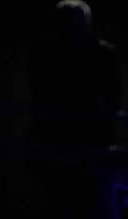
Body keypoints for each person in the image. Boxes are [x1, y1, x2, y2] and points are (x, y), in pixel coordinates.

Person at [28, 0, 122, 151]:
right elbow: (39, 90)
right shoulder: (48, 54)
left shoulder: (102, 54)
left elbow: (113, 94)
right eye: (69, 23)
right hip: (59, 131)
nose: (73, 29)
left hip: (87, 131)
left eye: (77, 23)